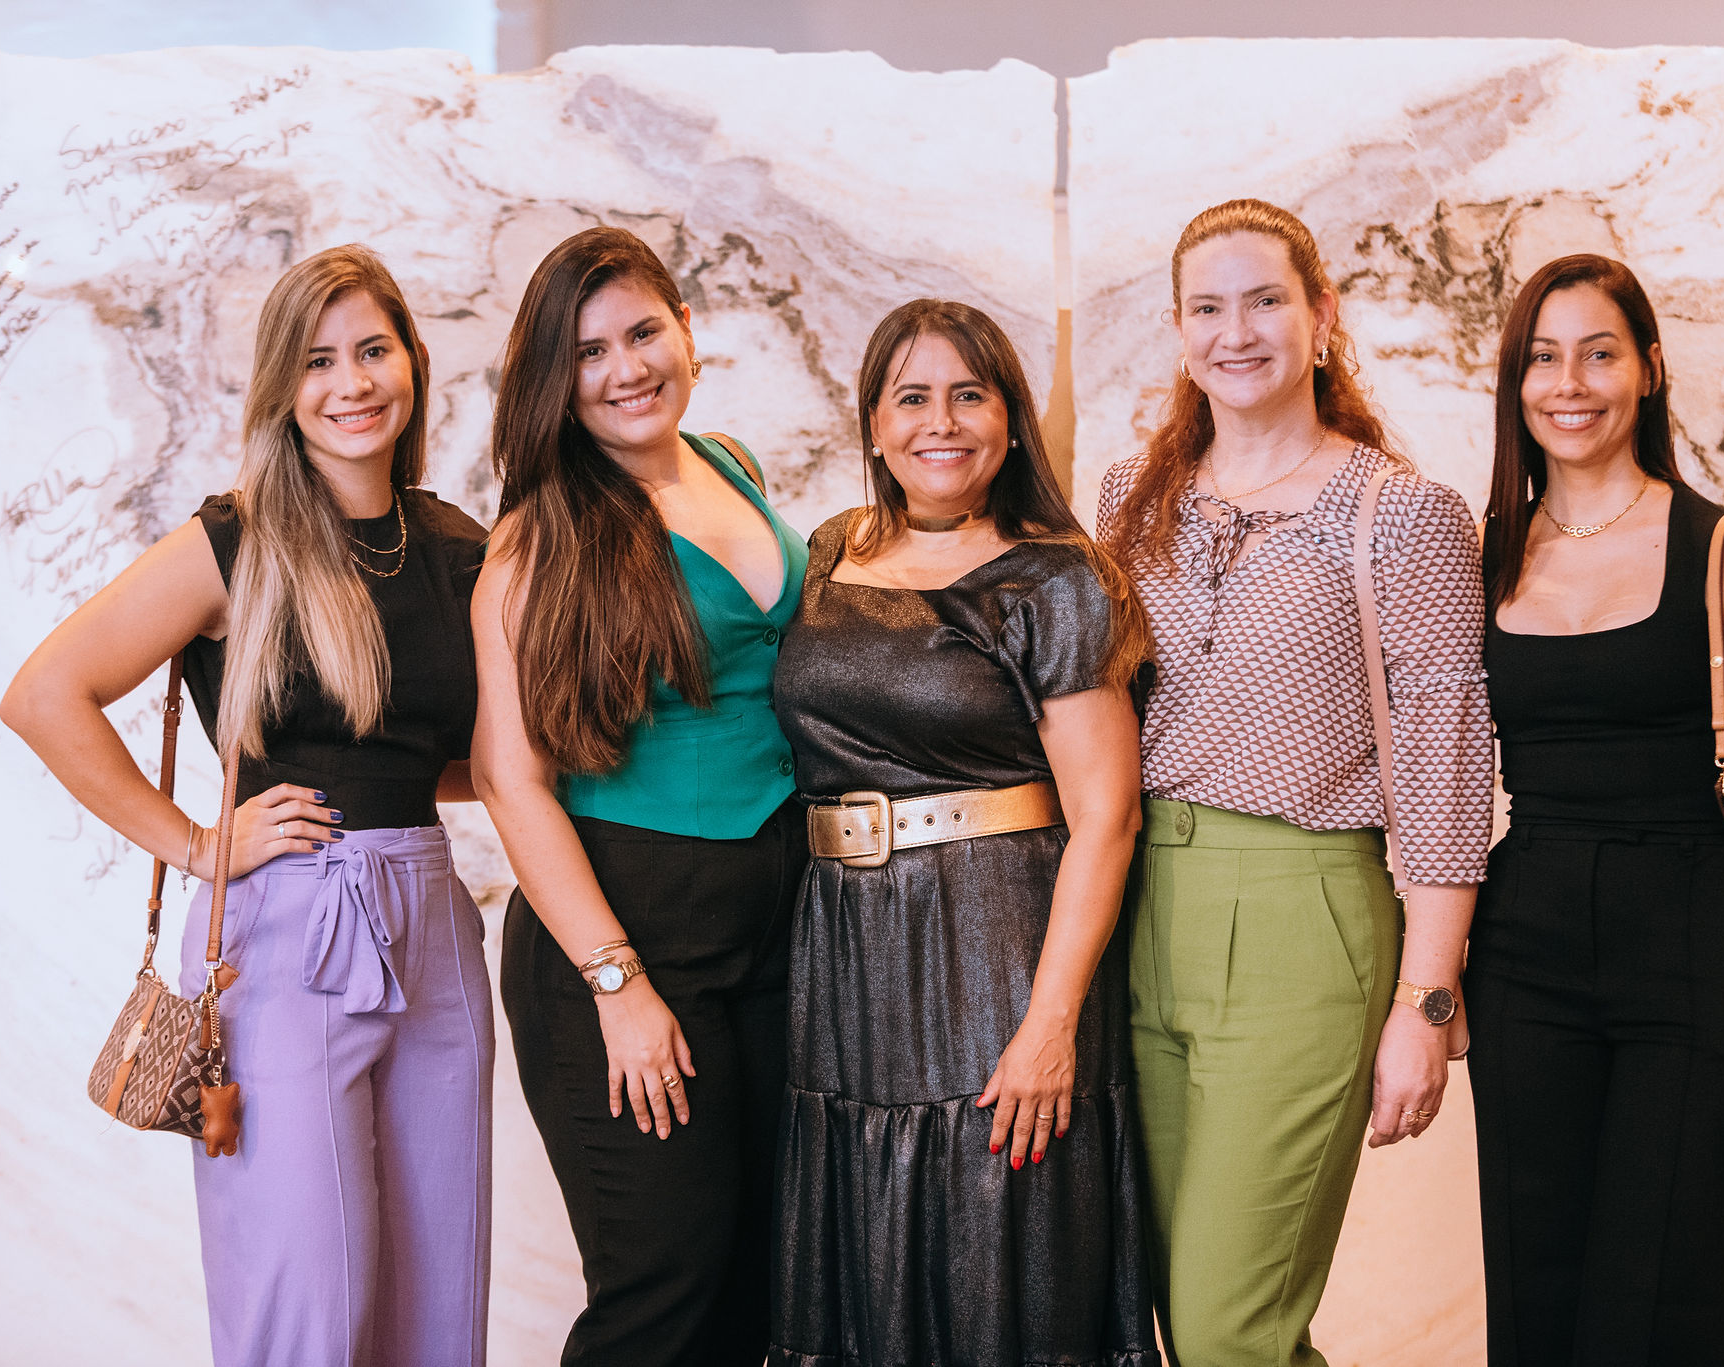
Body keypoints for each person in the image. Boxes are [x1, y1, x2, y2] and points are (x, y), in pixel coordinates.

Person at [1, 244, 494, 1365]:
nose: (351, 382)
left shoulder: (458, 546)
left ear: (413, 364)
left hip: (432, 921)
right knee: (307, 1297)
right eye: (317, 361)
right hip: (286, 928)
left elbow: (456, 761)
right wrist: (195, 843)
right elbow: (44, 694)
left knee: (437, 1299)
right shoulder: (236, 539)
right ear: (281, 387)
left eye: (373, 350)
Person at [1096, 197, 1495, 1367]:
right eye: (1206, 308)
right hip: (1135, 906)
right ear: (1178, 332)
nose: (1236, 331)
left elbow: (1446, 765)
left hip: (1300, 920)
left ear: (1321, 316)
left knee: (1230, 1327)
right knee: (1170, 1313)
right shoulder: (1128, 496)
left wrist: (1425, 1000)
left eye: (1265, 300)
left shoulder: (1401, 515)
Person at [769, 298, 1158, 1366]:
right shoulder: (829, 550)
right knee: (868, 1248)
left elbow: (1108, 817)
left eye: (969, 395)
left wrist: (1050, 1022)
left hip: (995, 945)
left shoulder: (1056, 578)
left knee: (1002, 1236)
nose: (940, 422)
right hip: (846, 953)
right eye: (912, 397)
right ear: (873, 421)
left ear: (1010, 419)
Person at [1469, 253, 1724, 1366]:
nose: (1568, 384)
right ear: (1515, 382)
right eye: (1542, 358)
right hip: (1523, 958)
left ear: (1650, 369)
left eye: (1599, 353)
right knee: (1534, 1309)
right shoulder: (1486, 554)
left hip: (1689, 953)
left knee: (1664, 1309)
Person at [470, 225, 809, 1367]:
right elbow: (508, 778)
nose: (625, 369)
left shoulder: (729, 462)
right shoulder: (537, 541)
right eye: (588, 352)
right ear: (553, 382)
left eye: (642, 332)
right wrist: (617, 984)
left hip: (775, 934)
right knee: (661, 1295)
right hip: (625, 937)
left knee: (758, 1284)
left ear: (686, 329)